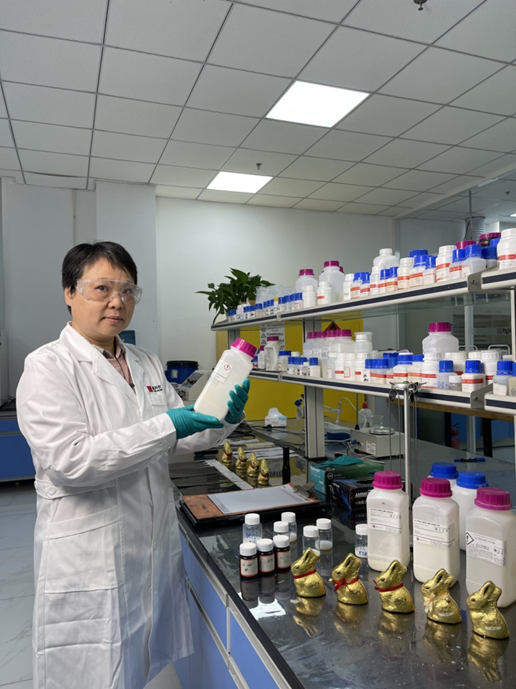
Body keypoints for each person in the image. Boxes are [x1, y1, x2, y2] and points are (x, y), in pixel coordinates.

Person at [17, 241, 250, 689]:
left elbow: (181, 436)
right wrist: (168, 424)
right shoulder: (48, 366)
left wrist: (224, 419)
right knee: (93, 671)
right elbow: (71, 462)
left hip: (148, 545)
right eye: (102, 288)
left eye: (128, 291)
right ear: (69, 293)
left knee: (136, 664)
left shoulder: (145, 362)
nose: (117, 301)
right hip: (90, 554)